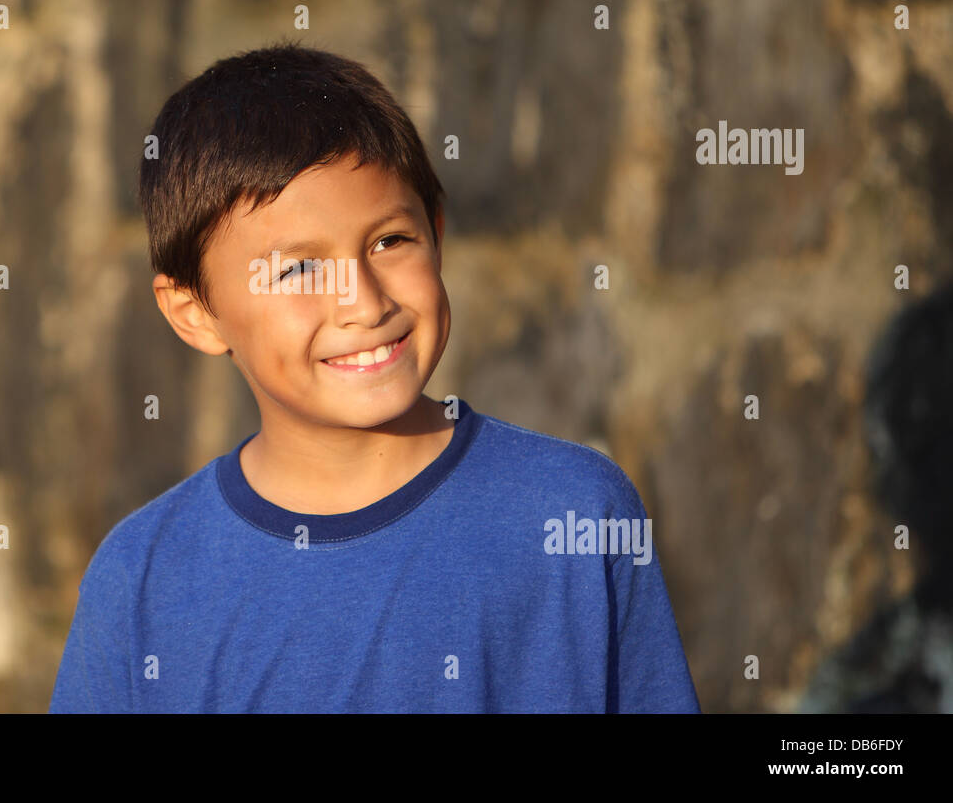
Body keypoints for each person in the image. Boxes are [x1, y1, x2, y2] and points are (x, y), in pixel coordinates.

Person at [50, 41, 701, 712]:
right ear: (196, 314)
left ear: (436, 234)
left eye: (390, 242)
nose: (363, 302)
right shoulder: (142, 580)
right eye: (298, 270)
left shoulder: (576, 515)